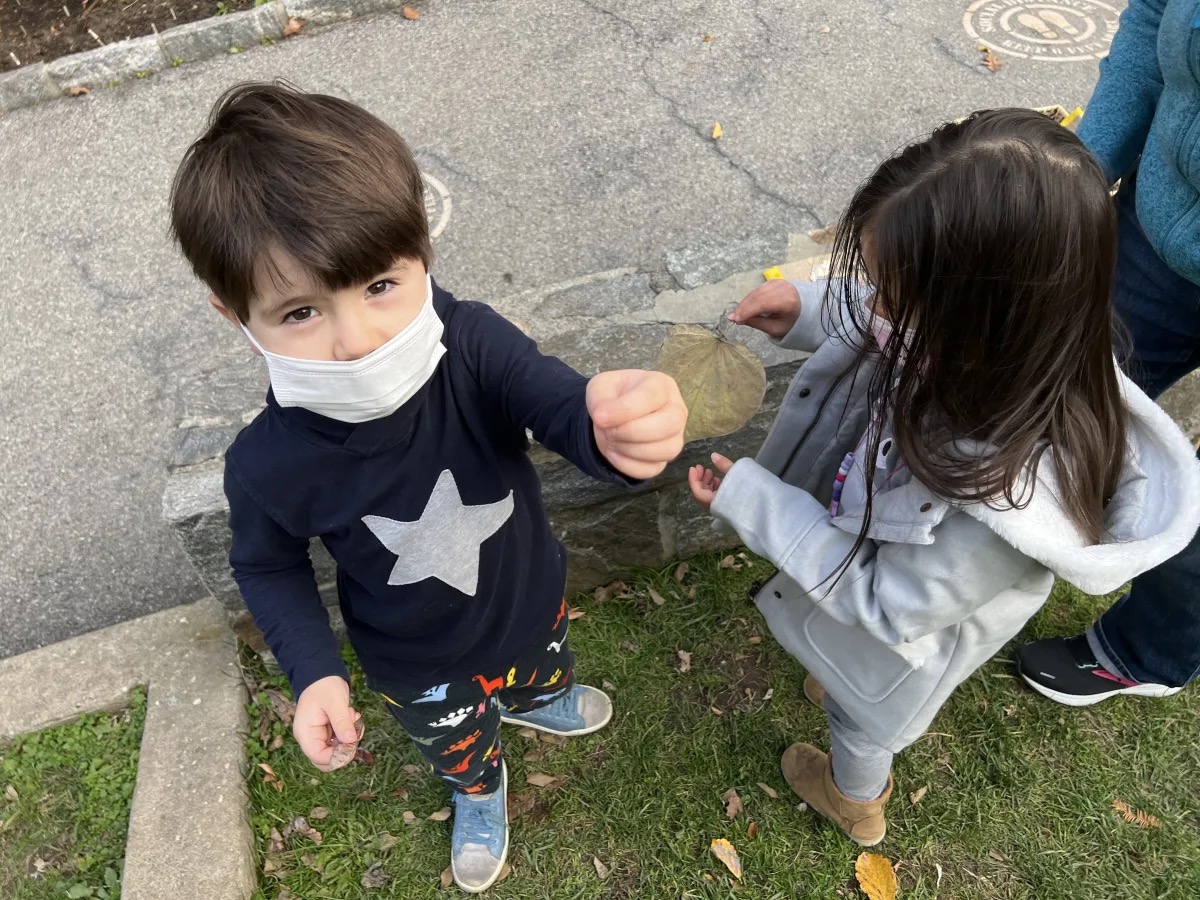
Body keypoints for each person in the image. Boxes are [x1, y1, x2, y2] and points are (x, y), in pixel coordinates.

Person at [169, 83, 687, 893]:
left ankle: (539, 700)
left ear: (424, 256)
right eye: (300, 311)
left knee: (544, 667)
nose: (357, 340)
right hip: (418, 666)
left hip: (530, 598)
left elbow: (555, 402)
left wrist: (616, 428)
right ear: (234, 316)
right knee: (457, 742)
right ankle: (480, 792)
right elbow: (268, 565)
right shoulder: (266, 465)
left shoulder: (470, 342)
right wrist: (315, 672)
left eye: (381, 286)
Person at [687, 109, 1200, 846]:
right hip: (860, 564)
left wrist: (754, 502)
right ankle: (835, 685)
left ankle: (854, 796)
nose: (881, 310)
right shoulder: (1011, 346)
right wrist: (806, 310)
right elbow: (891, 320)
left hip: (892, 648)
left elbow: (887, 607)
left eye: (897, 297)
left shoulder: (1008, 504)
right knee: (842, 673)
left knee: (858, 719)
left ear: (986, 314)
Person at [1015, 0, 1200, 706]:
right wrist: (1081, 173)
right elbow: (1157, 15)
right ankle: (993, 565)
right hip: (1160, 228)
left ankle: (1146, 650)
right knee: (1060, 392)